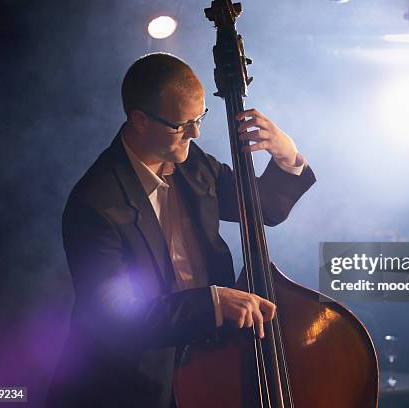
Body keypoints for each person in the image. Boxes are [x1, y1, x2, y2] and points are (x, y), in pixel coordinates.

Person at [47, 53, 316, 407]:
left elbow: (262, 209)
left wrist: (286, 154)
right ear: (140, 120)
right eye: (182, 124)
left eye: (199, 118)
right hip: (132, 385)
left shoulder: (192, 163)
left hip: (205, 366)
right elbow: (113, 318)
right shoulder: (95, 203)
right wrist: (213, 303)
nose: (196, 132)